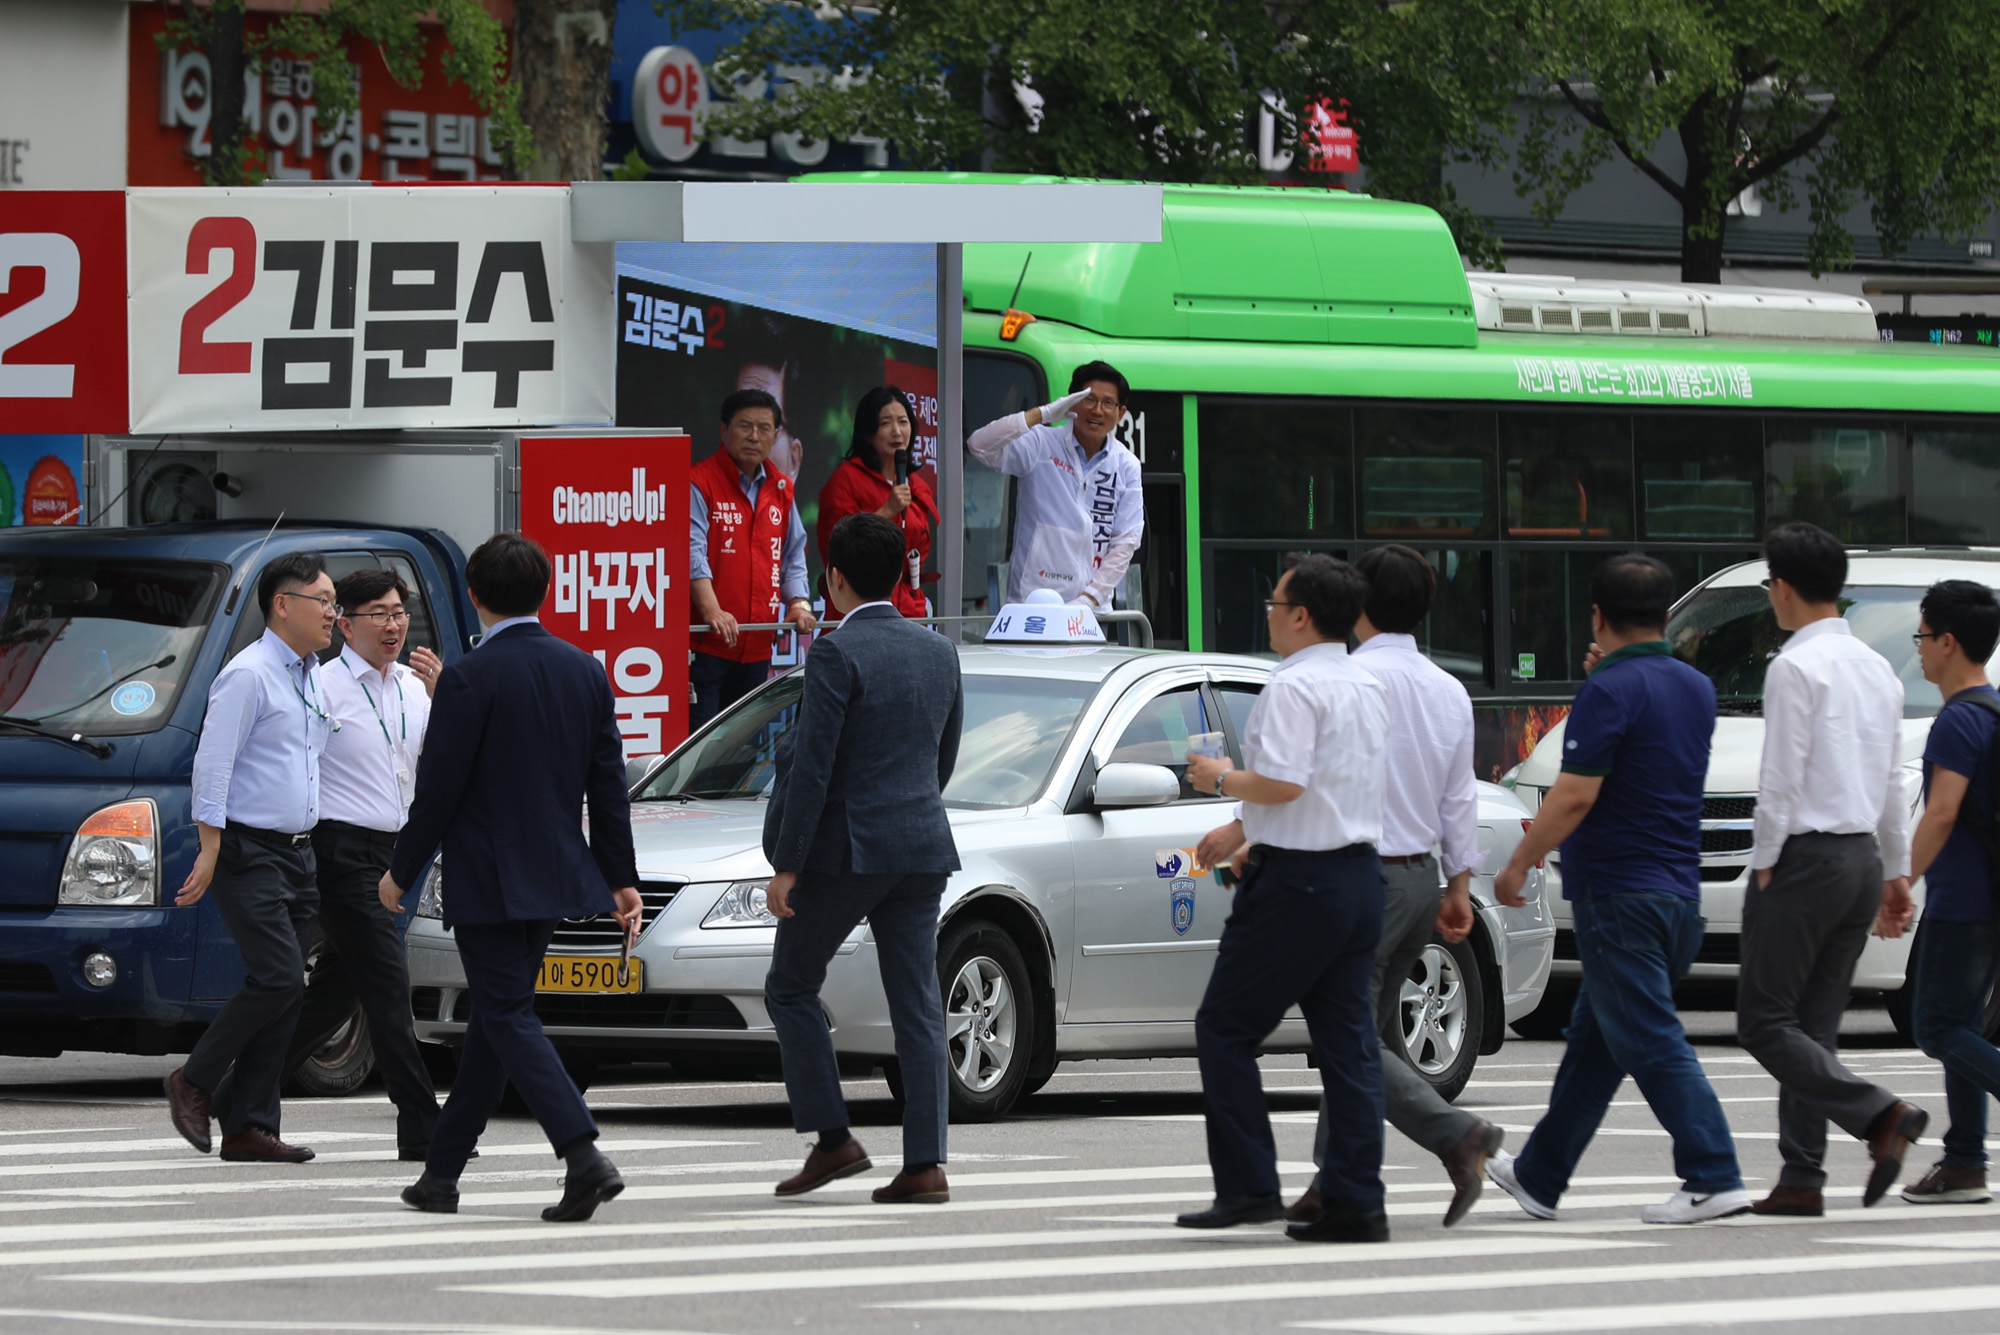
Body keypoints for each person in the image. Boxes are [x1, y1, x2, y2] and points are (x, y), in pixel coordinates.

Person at [380, 534, 643, 1223]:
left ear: (473, 594)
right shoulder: (584, 670)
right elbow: (607, 786)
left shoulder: (469, 676)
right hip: (558, 872)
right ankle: (440, 1175)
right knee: (497, 1021)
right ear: (545, 592)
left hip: (490, 876)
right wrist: (621, 876)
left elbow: (437, 789)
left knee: (503, 1014)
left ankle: (583, 1152)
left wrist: (400, 871)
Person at [1486, 554, 1750, 1225]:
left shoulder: (1607, 690)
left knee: (1649, 1036)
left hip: (1619, 893)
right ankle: (1540, 1175)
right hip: (1676, 895)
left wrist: (1520, 861)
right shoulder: (1694, 686)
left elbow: (1574, 794)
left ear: (1598, 617)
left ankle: (1713, 1172)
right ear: (1667, 614)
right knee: (1599, 1040)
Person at [1286, 545, 1503, 1231]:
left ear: (1357, 604)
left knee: (1347, 1032)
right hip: (1420, 877)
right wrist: (1459, 884)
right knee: (1364, 1028)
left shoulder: (1347, 679)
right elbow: (1458, 798)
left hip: (1359, 876)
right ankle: (1333, 1179)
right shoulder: (1447, 688)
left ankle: (1455, 1133)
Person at [1183, 554, 1391, 1244]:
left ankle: (1249, 1187)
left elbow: (1285, 782)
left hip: (1300, 882)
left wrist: (1221, 779)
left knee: (1224, 1026)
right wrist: (1247, 828)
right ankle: (1358, 1198)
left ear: (1301, 615)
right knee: (1348, 1042)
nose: (1269, 614)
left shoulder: (1293, 686)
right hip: (1359, 875)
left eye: (1275, 604)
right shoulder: (1365, 683)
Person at [762, 513, 964, 1205]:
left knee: (791, 984)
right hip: (923, 843)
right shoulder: (938, 649)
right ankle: (926, 1163)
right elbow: (944, 758)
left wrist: (787, 864)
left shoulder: (834, 653)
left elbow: (813, 769)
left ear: (833, 579)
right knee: (919, 1003)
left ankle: (832, 1138)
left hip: (848, 850)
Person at [1738, 523, 1928, 1216]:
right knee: (1809, 1029)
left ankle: (1880, 1114)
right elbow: (1886, 778)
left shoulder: (1794, 666)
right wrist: (1896, 871)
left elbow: (1780, 778)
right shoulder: (1876, 666)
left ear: (1782, 588)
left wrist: (1763, 864)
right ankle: (1801, 1176)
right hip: (1860, 859)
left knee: (1763, 1019)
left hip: (1805, 857)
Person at [165, 551, 336, 1164]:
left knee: (288, 990)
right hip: (247, 849)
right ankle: (194, 1080)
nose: (333, 614)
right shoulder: (249, 674)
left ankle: (250, 1126)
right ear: (282, 605)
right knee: (279, 976)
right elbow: (212, 765)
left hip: (298, 853)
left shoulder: (310, 672)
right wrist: (210, 849)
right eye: (323, 601)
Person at [283, 568, 447, 1161]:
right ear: (345, 624)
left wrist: (442, 697)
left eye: (400, 612)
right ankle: (422, 1123)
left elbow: (439, 762)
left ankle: (230, 1088)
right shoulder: (321, 687)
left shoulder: (412, 685)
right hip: (340, 848)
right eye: (378, 613)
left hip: (397, 851)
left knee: (336, 992)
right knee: (386, 980)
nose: (393, 625)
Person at [1898, 579, 2000, 1205]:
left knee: (1935, 1026)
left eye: (1922, 637)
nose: (1918, 651)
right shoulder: (1991, 709)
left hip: (1964, 900)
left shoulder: (1958, 721)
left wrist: (1900, 882)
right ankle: (1964, 1163)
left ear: (1949, 641)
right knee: (1963, 1027)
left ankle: (1965, 1159)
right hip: (1987, 899)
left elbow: (1940, 815)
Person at [965, 360, 1143, 609]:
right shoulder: (1041, 444)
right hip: (1030, 603)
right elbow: (978, 445)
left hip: (1090, 615)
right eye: (1089, 400)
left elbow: (1126, 541)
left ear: (1120, 413)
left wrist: (1088, 600)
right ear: (1072, 401)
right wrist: (1044, 414)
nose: (1098, 411)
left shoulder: (1127, 465)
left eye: (1108, 403)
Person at [689, 388, 817, 730]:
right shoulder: (699, 482)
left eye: (764, 428)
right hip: (706, 643)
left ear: (776, 435)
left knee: (743, 748)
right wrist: (713, 611)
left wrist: (799, 603)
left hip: (758, 643)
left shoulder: (781, 488)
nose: (754, 436)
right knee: (700, 744)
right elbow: (691, 554)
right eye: (745, 426)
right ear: (724, 430)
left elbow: (793, 555)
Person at [816, 386, 939, 620]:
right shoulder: (846, 479)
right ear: (868, 432)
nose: (897, 432)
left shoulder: (916, 485)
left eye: (903, 422)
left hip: (909, 611)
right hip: (859, 610)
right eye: (885, 423)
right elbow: (837, 551)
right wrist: (886, 511)